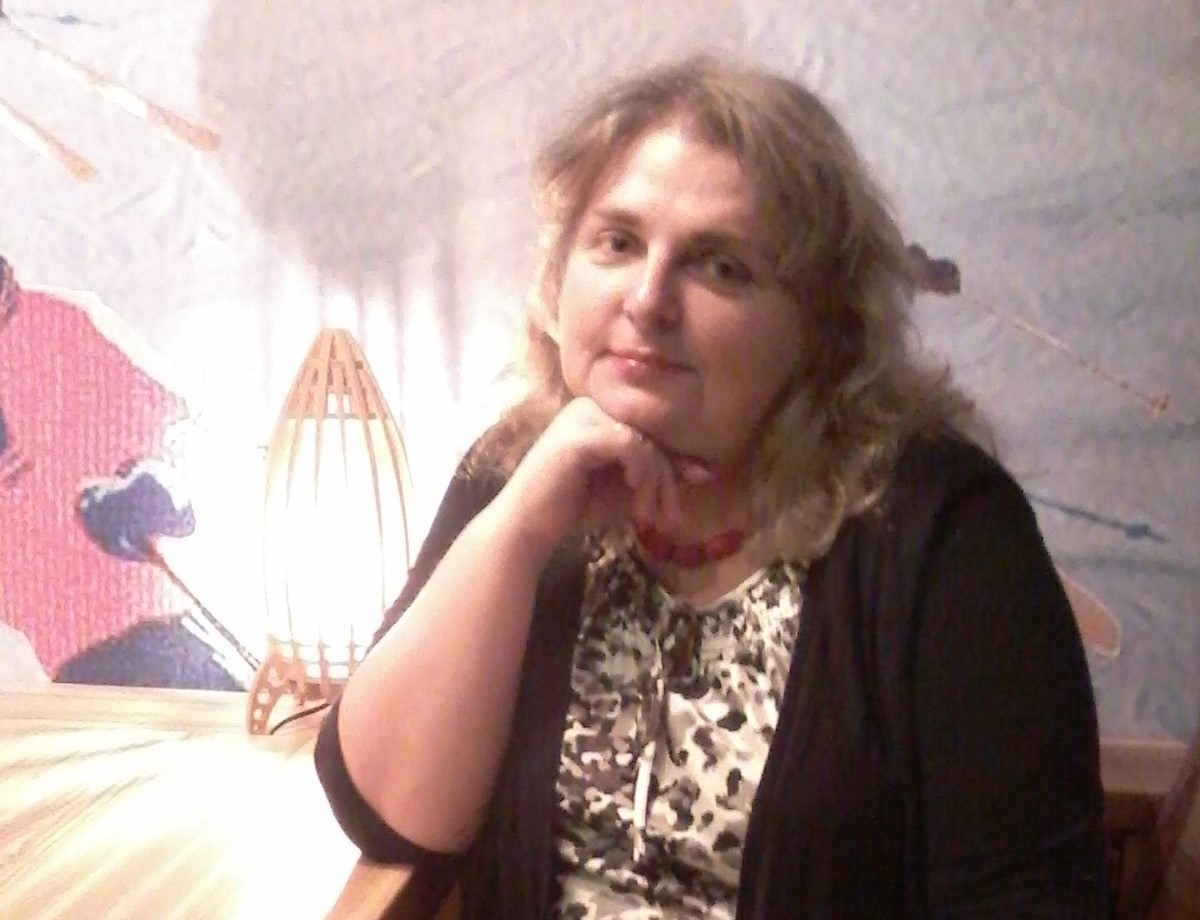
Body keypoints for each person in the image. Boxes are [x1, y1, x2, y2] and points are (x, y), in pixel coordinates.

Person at [314, 54, 1107, 918]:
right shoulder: (517, 468)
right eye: (618, 242)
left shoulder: (946, 531)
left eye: (721, 267)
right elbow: (388, 812)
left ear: (821, 328)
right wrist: (517, 529)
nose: (648, 300)